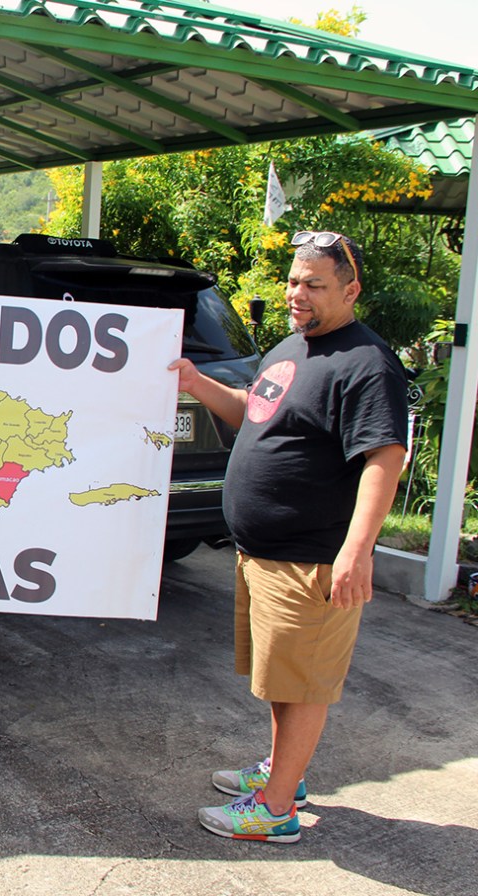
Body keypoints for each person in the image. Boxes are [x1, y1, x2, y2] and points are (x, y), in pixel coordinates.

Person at [169, 231, 408, 843]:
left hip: (312, 556)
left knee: (302, 683)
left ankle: (275, 813)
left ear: (351, 290)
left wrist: (356, 551)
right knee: (282, 677)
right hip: (265, 554)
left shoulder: (366, 362)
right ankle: (284, 774)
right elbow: (255, 408)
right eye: (295, 281)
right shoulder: (295, 346)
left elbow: (385, 456)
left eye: (315, 285)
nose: (297, 293)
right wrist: (197, 382)